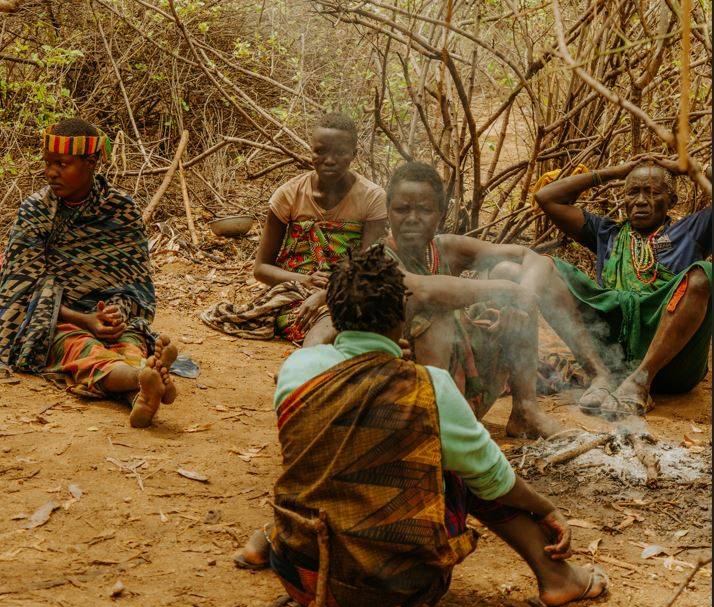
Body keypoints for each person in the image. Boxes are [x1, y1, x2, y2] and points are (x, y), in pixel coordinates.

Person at [234, 246, 607, 607]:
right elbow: (496, 480)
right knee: (460, 467)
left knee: (330, 460)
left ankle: (268, 538)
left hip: (301, 576)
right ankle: (558, 577)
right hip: (391, 595)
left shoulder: (298, 368)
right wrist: (546, 508)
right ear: (402, 313)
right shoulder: (430, 389)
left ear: (333, 311)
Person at [381, 162, 614, 438]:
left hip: (465, 381)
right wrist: (503, 291)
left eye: (425, 210)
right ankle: (442, 429)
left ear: (440, 214)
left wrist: (521, 300)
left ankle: (526, 411)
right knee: (437, 314)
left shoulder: (445, 247)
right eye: (402, 209)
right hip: (407, 393)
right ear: (387, 213)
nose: (412, 218)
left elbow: (534, 259)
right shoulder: (379, 258)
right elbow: (423, 291)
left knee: (512, 273)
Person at [0, 118, 177, 428]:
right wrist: (85, 320)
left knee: (130, 337)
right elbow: (21, 291)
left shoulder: (121, 210)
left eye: (62, 163)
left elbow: (136, 286)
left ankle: (141, 386)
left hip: (110, 319)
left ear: (91, 162)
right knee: (80, 346)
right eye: (48, 163)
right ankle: (143, 379)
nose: (51, 172)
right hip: (56, 319)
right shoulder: (35, 211)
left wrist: (113, 315)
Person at [534, 159, 711, 417]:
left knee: (702, 275)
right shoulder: (607, 233)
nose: (640, 200)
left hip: (673, 365)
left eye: (652, 192)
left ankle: (641, 380)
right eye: (633, 192)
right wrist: (614, 171)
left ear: (671, 201)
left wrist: (689, 167)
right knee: (542, 268)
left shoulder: (691, 231)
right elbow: (546, 198)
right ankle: (600, 377)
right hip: (612, 354)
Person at [202, 112, 387, 346]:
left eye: (339, 152)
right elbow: (261, 269)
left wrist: (328, 294)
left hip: (352, 291)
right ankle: (310, 365)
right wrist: (306, 280)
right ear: (310, 151)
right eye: (320, 151)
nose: (329, 160)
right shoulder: (289, 195)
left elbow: (367, 269)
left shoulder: (372, 198)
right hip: (296, 295)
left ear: (353, 155)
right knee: (331, 326)